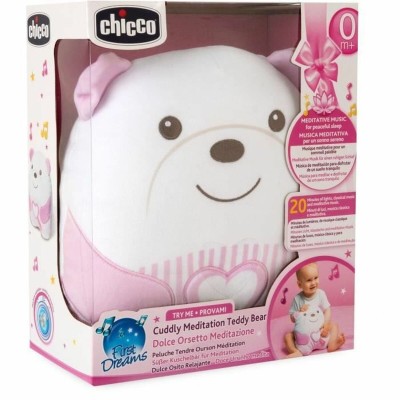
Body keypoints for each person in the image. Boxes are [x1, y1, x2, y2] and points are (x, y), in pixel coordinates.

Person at [285, 262, 345, 357]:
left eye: (316, 278)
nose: (313, 283)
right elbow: (292, 318)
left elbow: (327, 310)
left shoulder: (320, 294)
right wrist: (299, 311)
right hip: (304, 335)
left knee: (334, 325)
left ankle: (332, 344)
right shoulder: (297, 299)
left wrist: (325, 325)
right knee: (288, 336)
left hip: (320, 330)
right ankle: (296, 352)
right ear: (300, 284)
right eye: (309, 280)